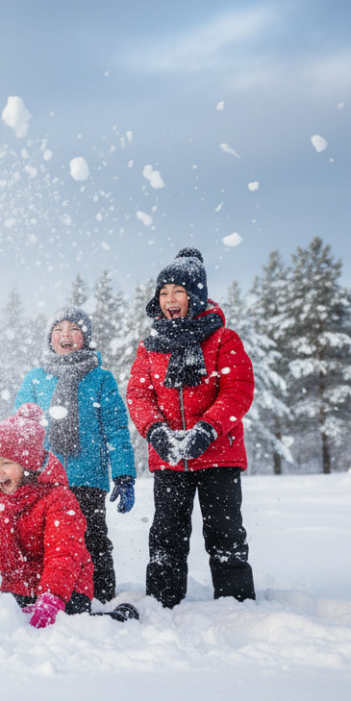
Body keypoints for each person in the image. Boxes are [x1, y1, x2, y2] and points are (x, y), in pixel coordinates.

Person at [126, 247, 257, 609]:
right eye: (164, 293)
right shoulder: (150, 346)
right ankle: (162, 601)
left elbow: (238, 390)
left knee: (225, 532)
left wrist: (206, 430)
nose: (170, 299)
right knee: (166, 534)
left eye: (178, 292)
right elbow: (138, 394)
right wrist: (156, 432)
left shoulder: (222, 339)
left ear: (194, 296)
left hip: (218, 455)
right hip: (169, 457)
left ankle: (236, 603)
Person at [0, 404, 138, 627]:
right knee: (8, 623)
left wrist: (51, 597)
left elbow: (63, 552)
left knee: (66, 625)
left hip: (67, 587)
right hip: (18, 589)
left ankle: (117, 618)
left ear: (27, 465)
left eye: (6, 463)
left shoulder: (57, 497)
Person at [15, 306, 137, 604]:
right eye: (59, 330)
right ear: (50, 338)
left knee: (92, 540)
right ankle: (46, 593)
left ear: (86, 337)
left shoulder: (100, 378)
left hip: (88, 476)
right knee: (45, 542)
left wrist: (123, 474)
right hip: (44, 478)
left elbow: (116, 427)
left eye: (74, 330)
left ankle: (100, 596)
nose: (66, 335)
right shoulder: (35, 378)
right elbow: (20, 428)